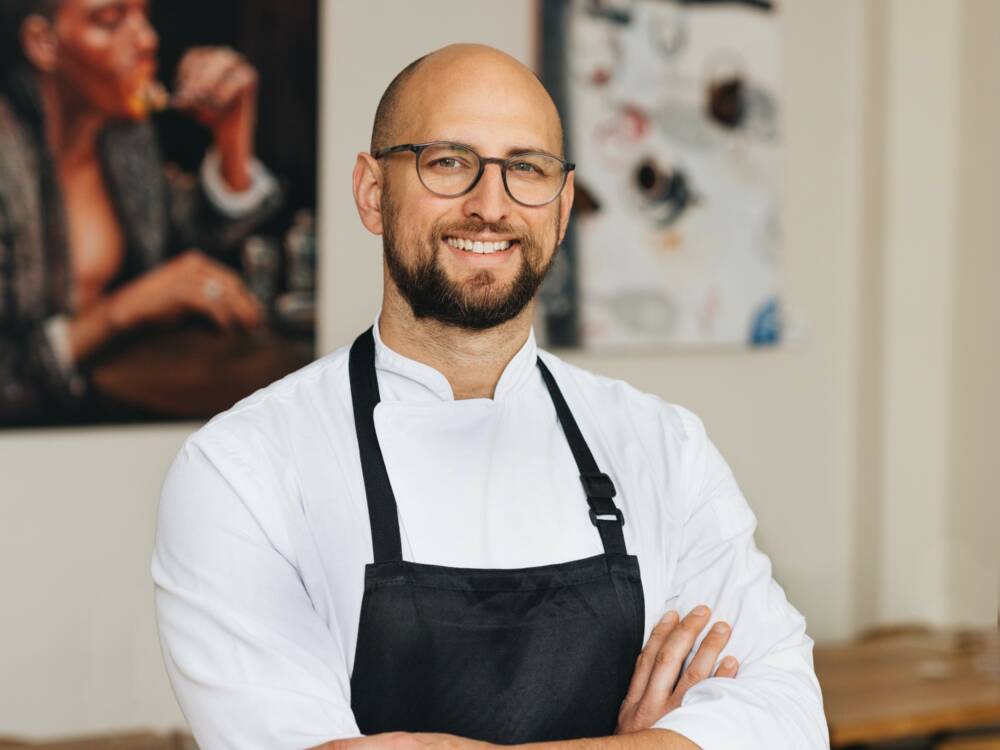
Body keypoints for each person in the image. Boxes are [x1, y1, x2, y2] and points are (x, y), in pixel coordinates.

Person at [153, 44, 828, 750]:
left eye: (527, 169)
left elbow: (789, 719)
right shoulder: (244, 469)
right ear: (372, 192)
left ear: (562, 209)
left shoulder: (662, 446)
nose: (490, 205)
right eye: (448, 161)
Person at [0, 0, 281, 426]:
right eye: (110, 21)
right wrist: (123, 311)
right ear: (43, 43)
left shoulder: (128, 136)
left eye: (144, 16)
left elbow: (191, 245)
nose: (148, 39)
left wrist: (231, 139)